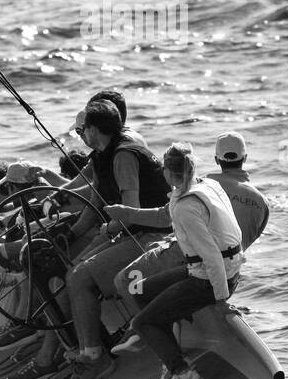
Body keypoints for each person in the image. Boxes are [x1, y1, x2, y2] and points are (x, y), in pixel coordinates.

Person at [8, 99, 170, 379]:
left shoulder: (123, 156)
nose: (80, 137)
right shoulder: (100, 156)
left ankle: (94, 358)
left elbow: (131, 210)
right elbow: (96, 201)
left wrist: (108, 230)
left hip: (150, 235)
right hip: (127, 230)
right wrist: (71, 233)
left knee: (78, 277)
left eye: (83, 130)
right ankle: (77, 347)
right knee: (70, 268)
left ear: (95, 130)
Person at [108, 130, 270, 349]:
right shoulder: (260, 202)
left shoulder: (202, 186)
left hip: (201, 266)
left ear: (216, 160)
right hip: (229, 271)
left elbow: (168, 220)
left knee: (126, 281)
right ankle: (163, 325)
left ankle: (142, 333)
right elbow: (239, 243)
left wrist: (127, 214)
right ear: (245, 158)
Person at [129, 144, 243, 379]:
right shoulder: (208, 184)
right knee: (141, 289)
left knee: (143, 322)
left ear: (168, 172)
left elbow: (211, 254)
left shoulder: (185, 207)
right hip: (213, 268)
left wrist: (221, 298)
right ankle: (172, 362)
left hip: (211, 278)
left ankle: (184, 375)